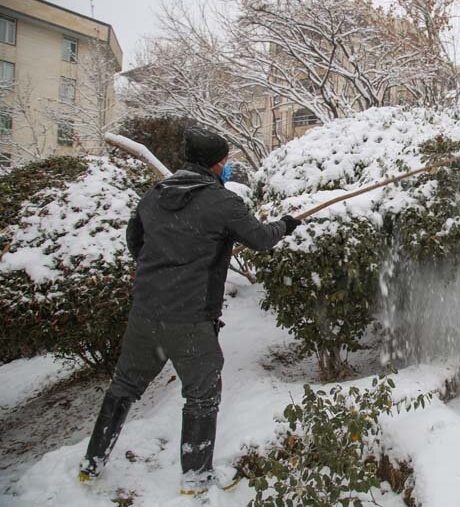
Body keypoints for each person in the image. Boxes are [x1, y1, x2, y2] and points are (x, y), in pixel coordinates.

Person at [78, 127, 301, 494]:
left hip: (146, 314)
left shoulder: (154, 195)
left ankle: (92, 463)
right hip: (191, 318)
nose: (227, 168)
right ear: (214, 164)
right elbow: (260, 239)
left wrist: (170, 265)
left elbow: (136, 241)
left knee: (124, 387)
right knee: (202, 392)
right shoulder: (222, 202)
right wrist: (287, 224)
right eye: (225, 162)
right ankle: (195, 478)